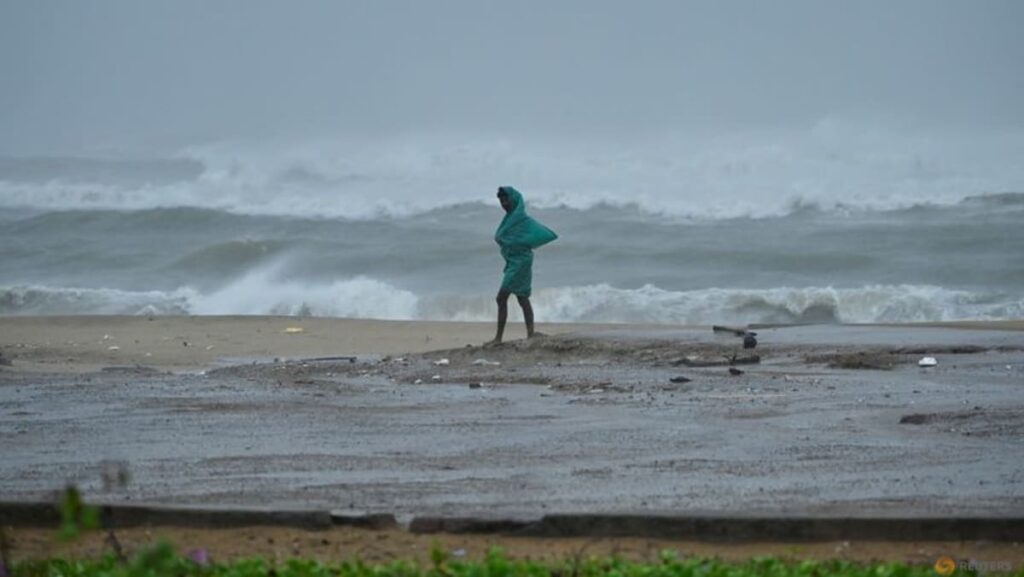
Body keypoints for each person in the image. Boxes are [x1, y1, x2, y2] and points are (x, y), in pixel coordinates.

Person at [486, 186, 558, 345]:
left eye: (506, 199)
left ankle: (498, 339)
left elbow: (542, 234)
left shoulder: (523, 220)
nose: (503, 203)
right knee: (522, 298)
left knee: (501, 298)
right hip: (514, 262)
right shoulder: (509, 219)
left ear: (514, 200)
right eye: (501, 200)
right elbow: (503, 239)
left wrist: (515, 243)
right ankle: (530, 334)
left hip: (520, 263)